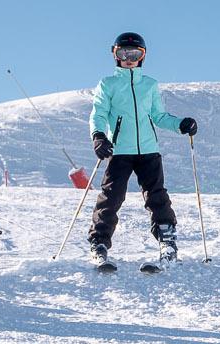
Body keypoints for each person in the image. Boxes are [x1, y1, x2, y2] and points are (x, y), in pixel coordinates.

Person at [85, 32, 198, 267]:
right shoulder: (108, 84)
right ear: (115, 55)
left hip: (148, 151)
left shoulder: (150, 85)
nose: (129, 58)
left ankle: (167, 240)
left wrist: (180, 125)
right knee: (111, 196)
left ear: (142, 57)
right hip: (119, 151)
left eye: (135, 54)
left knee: (156, 195)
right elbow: (99, 112)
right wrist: (98, 136)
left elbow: (158, 115)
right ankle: (99, 242)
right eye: (123, 53)